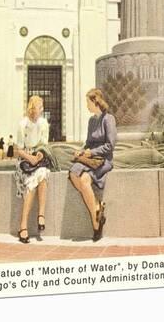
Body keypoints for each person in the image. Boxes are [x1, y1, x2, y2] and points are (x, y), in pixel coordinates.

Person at [69, 88, 116, 241]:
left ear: (95, 102)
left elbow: (110, 145)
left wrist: (91, 152)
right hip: (90, 160)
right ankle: (97, 207)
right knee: (73, 173)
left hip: (104, 160)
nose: (86, 105)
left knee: (84, 180)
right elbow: (88, 143)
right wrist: (81, 151)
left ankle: (96, 225)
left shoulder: (108, 119)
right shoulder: (91, 121)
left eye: (88, 102)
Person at [14, 96, 49, 243]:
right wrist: (30, 158)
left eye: (42, 107)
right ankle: (23, 225)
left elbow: (43, 145)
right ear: (32, 108)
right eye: (39, 107)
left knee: (42, 173)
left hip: (38, 160)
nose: (41, 110)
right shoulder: (23, 124)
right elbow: (18, 150)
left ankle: (40, 215)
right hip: (24, 161)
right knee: (32, 183)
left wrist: (39, 155)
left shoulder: (43, 123)